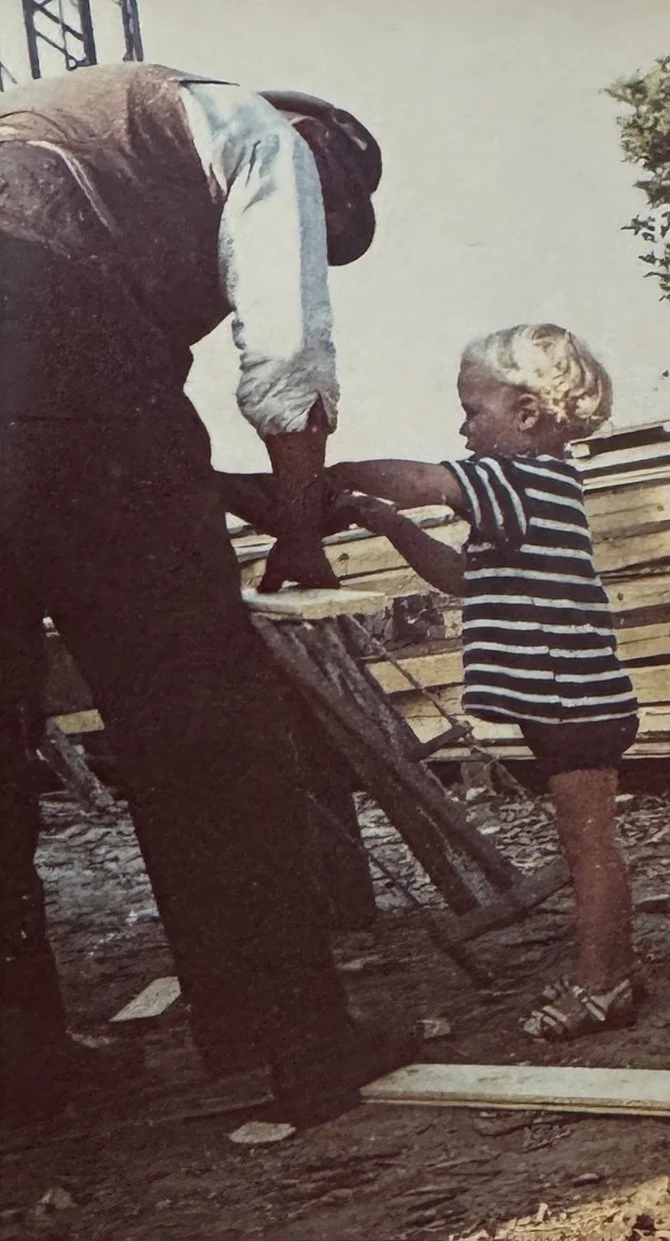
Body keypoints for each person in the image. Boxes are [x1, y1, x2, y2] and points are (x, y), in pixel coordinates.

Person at [0, 62, 413, 1129]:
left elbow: (40, 441)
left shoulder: (58, 121)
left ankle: (26, 1074)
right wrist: (301, 526)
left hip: (51, 388)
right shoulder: (259, 130)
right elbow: (285, 352)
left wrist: (205, 487)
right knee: (207, 730)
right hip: (82, 375)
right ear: (316, 136)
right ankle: (296, 1045)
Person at [328, 323, 643, 1040]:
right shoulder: (529, 494)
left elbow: (427, 481)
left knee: (588, 849)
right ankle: (614, 967)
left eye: (472, 411)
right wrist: (390, 527)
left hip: (573, 701)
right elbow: (463, 578)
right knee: (588, 845)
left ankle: (604, 985)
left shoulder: (519, 479)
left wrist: (333, 472)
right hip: (569, 698)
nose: (463, 428)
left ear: (526, 413)